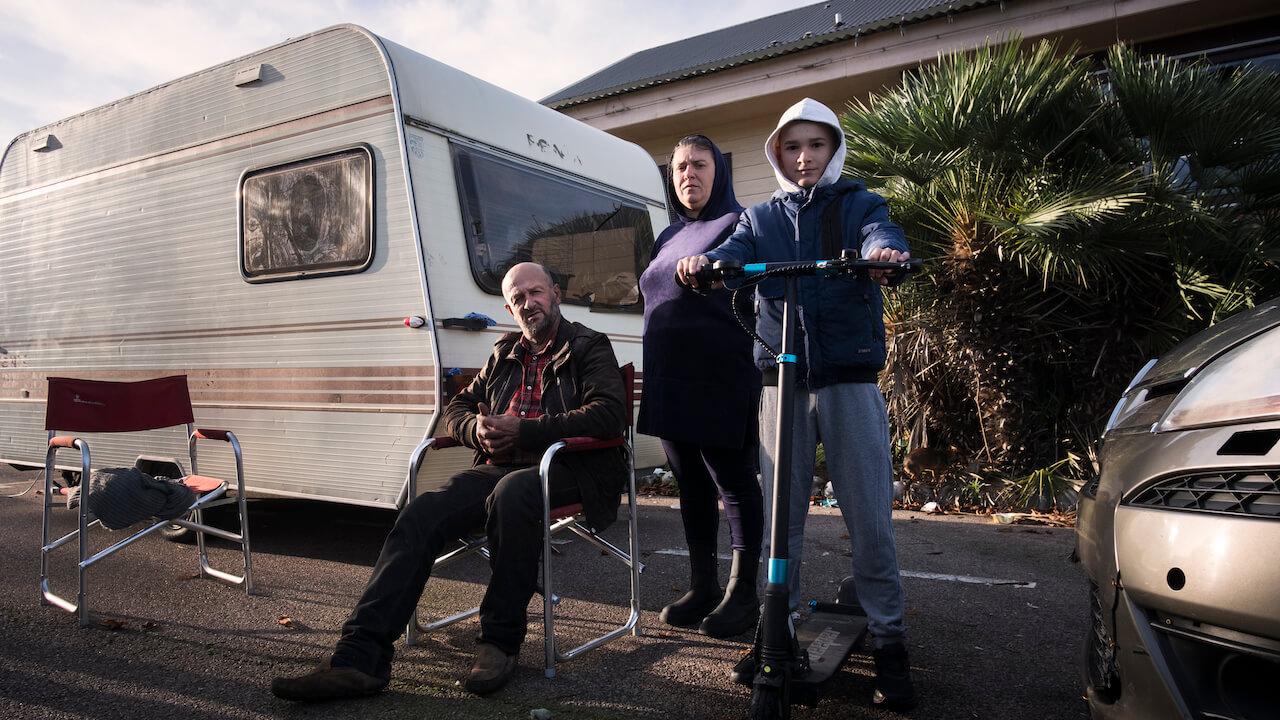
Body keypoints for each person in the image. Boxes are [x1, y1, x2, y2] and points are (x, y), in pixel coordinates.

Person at [271, 262, 628, 702]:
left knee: (513, 493)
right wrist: (474, 430)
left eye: (535, 293)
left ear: (555, 293)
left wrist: (526, 429)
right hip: (501, 468)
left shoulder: (589, 346)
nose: (528, 304)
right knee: (422, 510)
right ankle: (359, 658)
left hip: (572, 467)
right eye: (518, 299)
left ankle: (499, 641)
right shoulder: (504, 353)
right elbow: (457, 408)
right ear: (509, 308)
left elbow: (610, 414)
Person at [676, 98, 916, 711]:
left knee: (869, 520)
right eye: (792, 147)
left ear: (833, 148)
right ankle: (774, 635)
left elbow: (880, 233)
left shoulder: (860, 202)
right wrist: (706, 263)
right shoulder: (760, 217)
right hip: (781, 385)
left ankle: (891, 646)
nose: (805, 158)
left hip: (847, 380)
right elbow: (732, 254)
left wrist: (884, 253)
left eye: (815, 145)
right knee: (781, 521)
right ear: (777, 154)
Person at [638, 135, 763, 638]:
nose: (689, 174)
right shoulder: (668, 235)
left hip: (719, 375)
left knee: (732, 484)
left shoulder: (738, 225)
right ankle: (703, 585)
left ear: (720, 171)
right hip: (668, 378)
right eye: (680, 167)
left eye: (700, 164)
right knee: (689, 486)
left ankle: (744, 592)